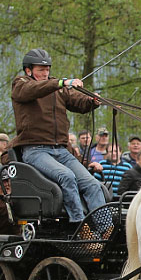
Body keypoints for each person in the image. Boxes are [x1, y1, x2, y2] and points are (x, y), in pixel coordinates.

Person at [11, 48, 110, 236]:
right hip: (35, 150)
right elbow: (31, 91)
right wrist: (61, 82)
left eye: (47, 69)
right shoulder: (21, 84)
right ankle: (79, 226)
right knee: (67, 177)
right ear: (28, 70)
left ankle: (106, 230)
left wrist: (92, 101)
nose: (45, 73)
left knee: (92, 184)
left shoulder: (57, 89)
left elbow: (77, 101)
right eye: (41, 69)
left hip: (61, 150)